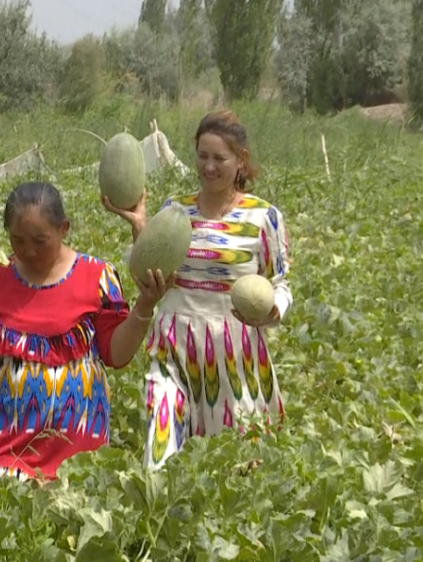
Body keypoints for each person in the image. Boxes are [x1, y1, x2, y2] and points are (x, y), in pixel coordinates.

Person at [0, 181, 174, 488]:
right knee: (7, 506)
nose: (28, 251)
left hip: (81, 449)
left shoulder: (96, 276)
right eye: (18, 240)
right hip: (11, 446)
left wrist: (145, 305)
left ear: (64, 228)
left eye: (40, 241)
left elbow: (115, 354)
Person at [103, 109, 293, 470]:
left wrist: (272, 310)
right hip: (174, 341)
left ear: (241, 161)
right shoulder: (175, 210)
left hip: (234, 345)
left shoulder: (263, 217)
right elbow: (147, 267)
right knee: (160, 450)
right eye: (202, 156)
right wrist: (140, 225)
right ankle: (157, 513)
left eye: (219, 158)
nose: (208, 166)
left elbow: (280, 283)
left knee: (231, 464)